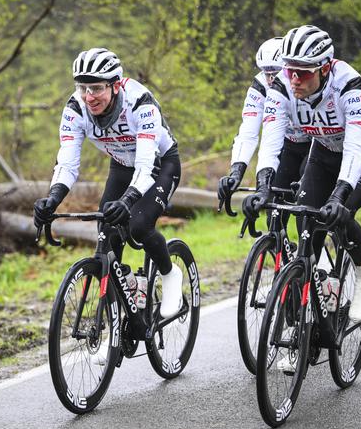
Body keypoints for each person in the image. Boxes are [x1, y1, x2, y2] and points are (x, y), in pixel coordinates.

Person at [244, 25, 361, 332]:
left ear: (324, 69)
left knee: (341, 214)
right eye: (290, 69)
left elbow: (355, 148)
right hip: (322, 151)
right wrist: (263, 185)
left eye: (303, 72)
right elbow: (271, 139)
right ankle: (311, 308)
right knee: (306, 222)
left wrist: (339, 194)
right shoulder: (283, 85)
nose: (294, 78)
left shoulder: (350, 86)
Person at [34, 47, 183, 320]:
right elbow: (67, 164)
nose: (89, 97)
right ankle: (122, 299)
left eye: (97, 89)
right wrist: (52, 198)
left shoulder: (140, 102)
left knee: (138, 225)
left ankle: (170, 273)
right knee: (107, 229)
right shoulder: (75, 109)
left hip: (160, 164)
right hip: (121, 165)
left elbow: (146, 165)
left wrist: (128, 201)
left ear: (115, 86)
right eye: (83, 88)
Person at [218, 37, 311, 228]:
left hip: (315, 145)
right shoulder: (260, 87)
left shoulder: (302, 84)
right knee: (273, 212)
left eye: (275, 73)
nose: (270, 80)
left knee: (305, 206)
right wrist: (236, 172)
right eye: (265, 73)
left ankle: (309, 255)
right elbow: (248, 134)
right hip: (289, 145)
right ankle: (283, 253)